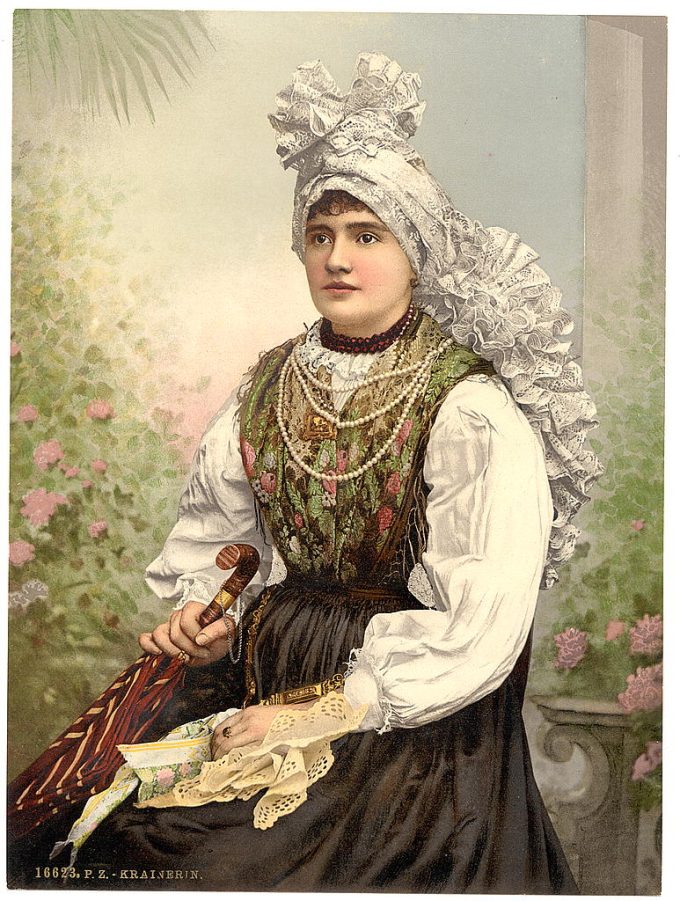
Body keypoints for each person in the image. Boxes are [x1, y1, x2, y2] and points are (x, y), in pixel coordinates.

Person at [12, 53, 601, 892]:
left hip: (403, 723)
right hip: (259, 670)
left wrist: (326, 711)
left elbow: (480, 626)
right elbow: (223, 545)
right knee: (90, 836)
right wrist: (205, 617)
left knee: (234, 868)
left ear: (416, 250)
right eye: (319, 236)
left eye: (367, 235)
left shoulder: (471, 410)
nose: (337, 257)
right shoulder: (267, 385)